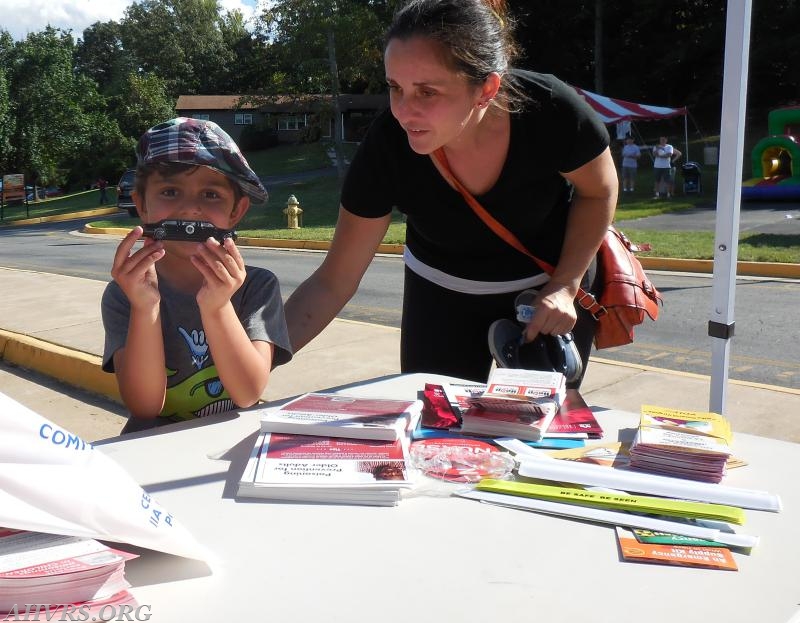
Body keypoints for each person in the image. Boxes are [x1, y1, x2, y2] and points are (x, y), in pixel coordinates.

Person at [284, 0, 617, 389]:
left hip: (546, 293)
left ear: (486, 88)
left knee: (537, 434)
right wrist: (252, 362)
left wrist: (565, 285)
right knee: (438, 433)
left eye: (427, 92)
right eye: (395, 88)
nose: (404, 112)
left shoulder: (552, 110)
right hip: (442, 293)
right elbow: (332, 282)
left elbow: (600, 191)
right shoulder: (388, 146)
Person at [101, 118, 292, 433]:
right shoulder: (125, 294)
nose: (190, 209)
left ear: (236, 211)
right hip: (151, 447)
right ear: (141, 205)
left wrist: (217, 307)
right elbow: (145, 406)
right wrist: (145, 307)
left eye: (211, 195)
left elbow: (247, 393)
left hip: (231, 442)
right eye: (170, 191)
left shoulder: (257, 287)